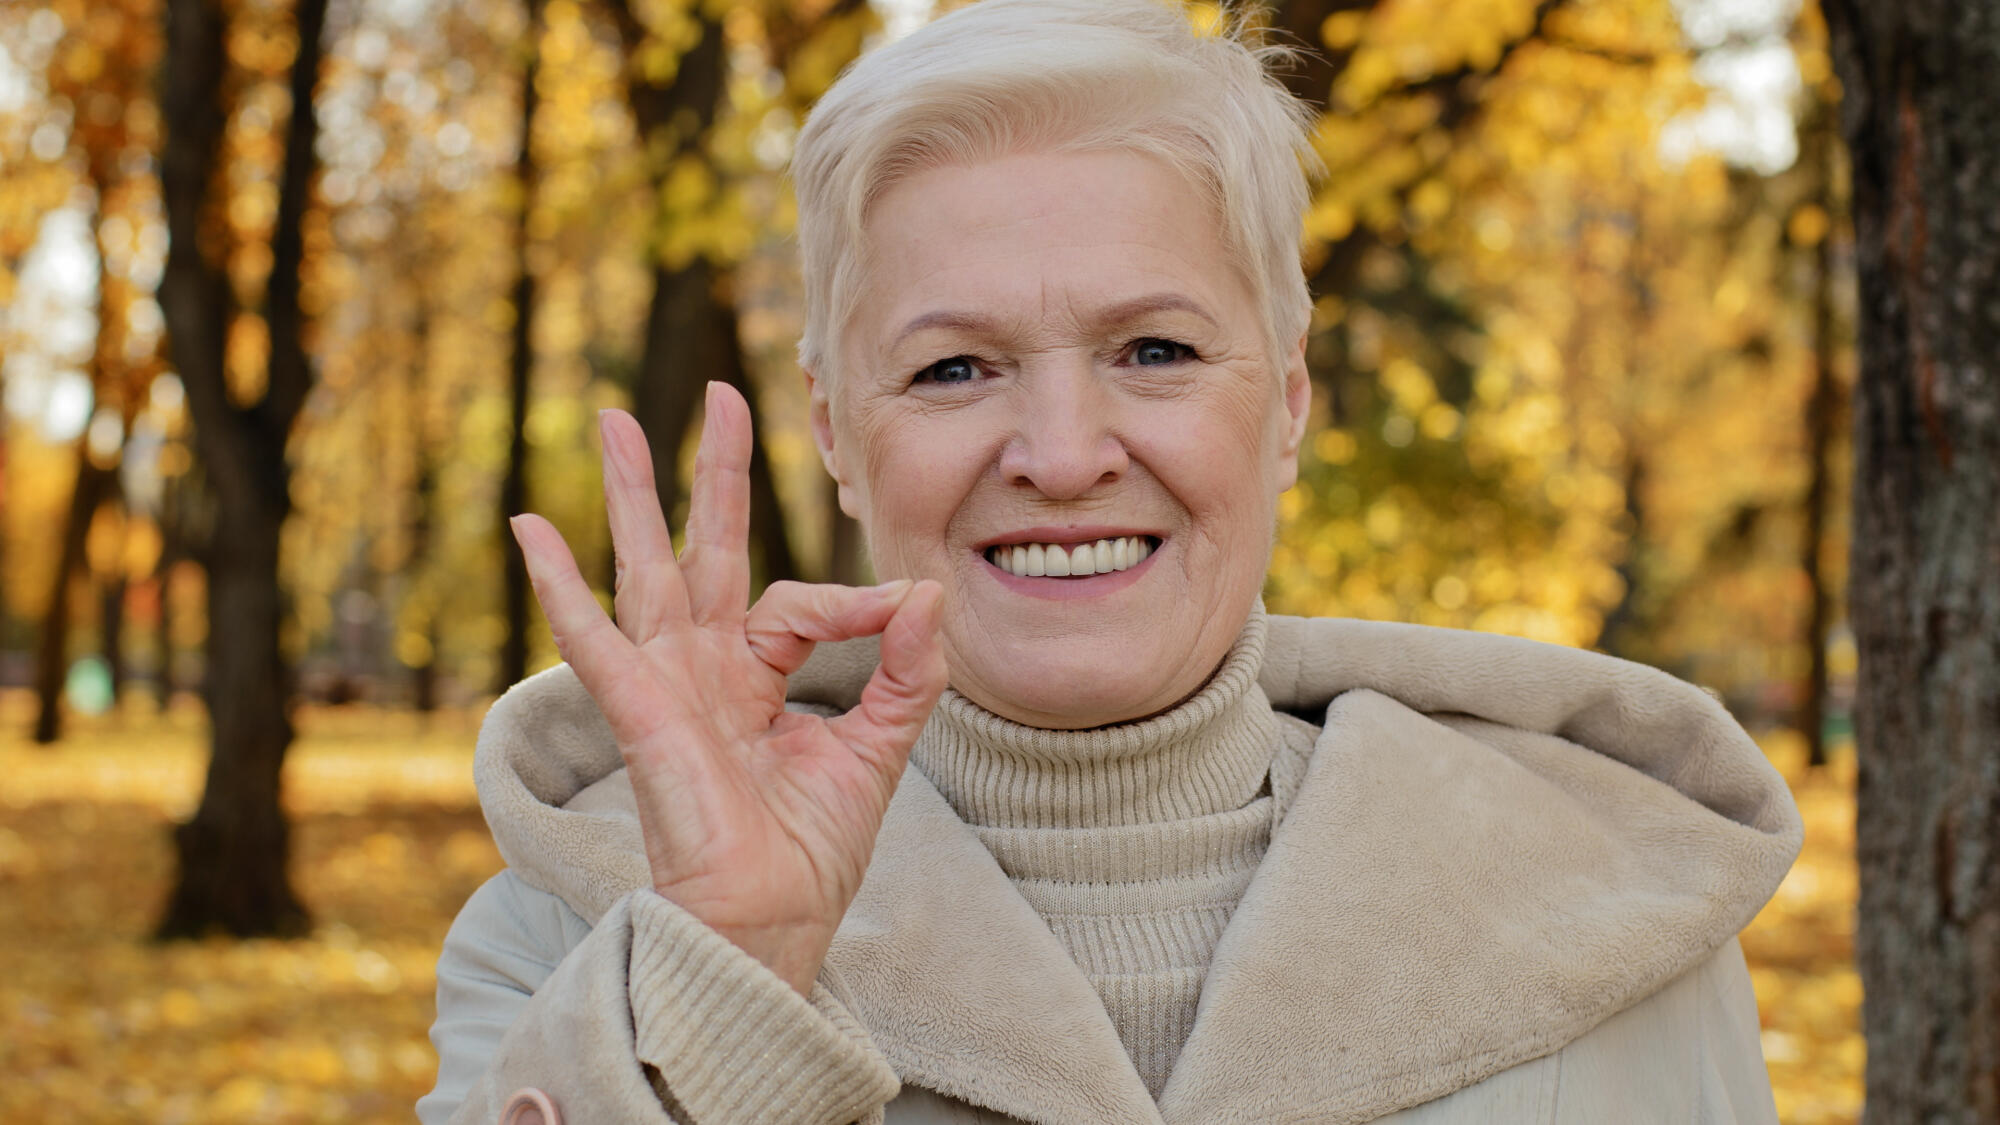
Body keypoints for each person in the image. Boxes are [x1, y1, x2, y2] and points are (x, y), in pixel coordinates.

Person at [418, 0, 1803, 1121]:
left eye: (1156, 350)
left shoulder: (1616, 921)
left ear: (1290, 400)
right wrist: (720, 983)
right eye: (955, 366)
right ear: (838, 432)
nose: (1064, 449)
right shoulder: (576, 926)